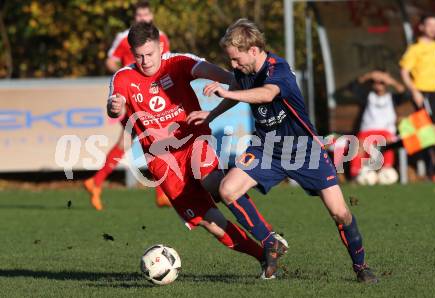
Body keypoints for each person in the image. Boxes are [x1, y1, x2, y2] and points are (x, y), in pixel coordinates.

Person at [187, 19, 378, 283]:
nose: (232, 66)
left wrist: (225, 94)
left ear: (253, 50)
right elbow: (238, 87)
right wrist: (211, 115)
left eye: (235, 59)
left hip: (303, 149)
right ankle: (270, 242)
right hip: (266, 148)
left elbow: (266, 94)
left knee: (340, 212)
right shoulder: (244, 72)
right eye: (230, 60)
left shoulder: (279, 69)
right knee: (228, 189)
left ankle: (361, 267)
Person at [108, 21, 287, 279]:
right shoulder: (123, 77)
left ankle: (268, 236)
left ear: (160, 47)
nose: (145, 61)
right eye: (139, 56)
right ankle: (264, 257)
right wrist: (114, 108)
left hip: (193, 142)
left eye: (150, 54)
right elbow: (114, 104)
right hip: (162, 162)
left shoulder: (178, 62)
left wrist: (230, 83)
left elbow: (225, 75)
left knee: (214, 181)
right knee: (210, 222)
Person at [84, 0, 171, 210]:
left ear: (151, 16)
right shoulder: (124, 38)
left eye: (146, 15)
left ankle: (95, 182)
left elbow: (166, 62)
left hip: (151, 96)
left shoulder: (161, 38)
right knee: (154, 139)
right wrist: (125, 76)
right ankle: (162, 193)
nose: (143, 19)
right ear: (135, 18)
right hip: (132, 96)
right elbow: (110, 61)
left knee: (129, 142)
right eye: (140, 16)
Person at [400, 13, 435, 182]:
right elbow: (404, 72)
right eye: (429, 25)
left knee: (434, 131)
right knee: (432, 131)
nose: (433, 28)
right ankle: (434, 170)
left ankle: (432, 170)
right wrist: (414, 91)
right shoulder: (415, 49)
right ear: (422, 27)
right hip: (422, 93)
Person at [350, 70, 406, 179]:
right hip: (367, 131)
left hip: (386, 132)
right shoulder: (367, 96)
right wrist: (369, 75)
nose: (379, 84)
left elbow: (404, 92)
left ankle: (386, 171)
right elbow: (353, 87)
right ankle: (356, 174)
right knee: (359, 144)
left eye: (382, 82)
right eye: (376, 82)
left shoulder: (392, 98)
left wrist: (391, 81)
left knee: (387, 143)